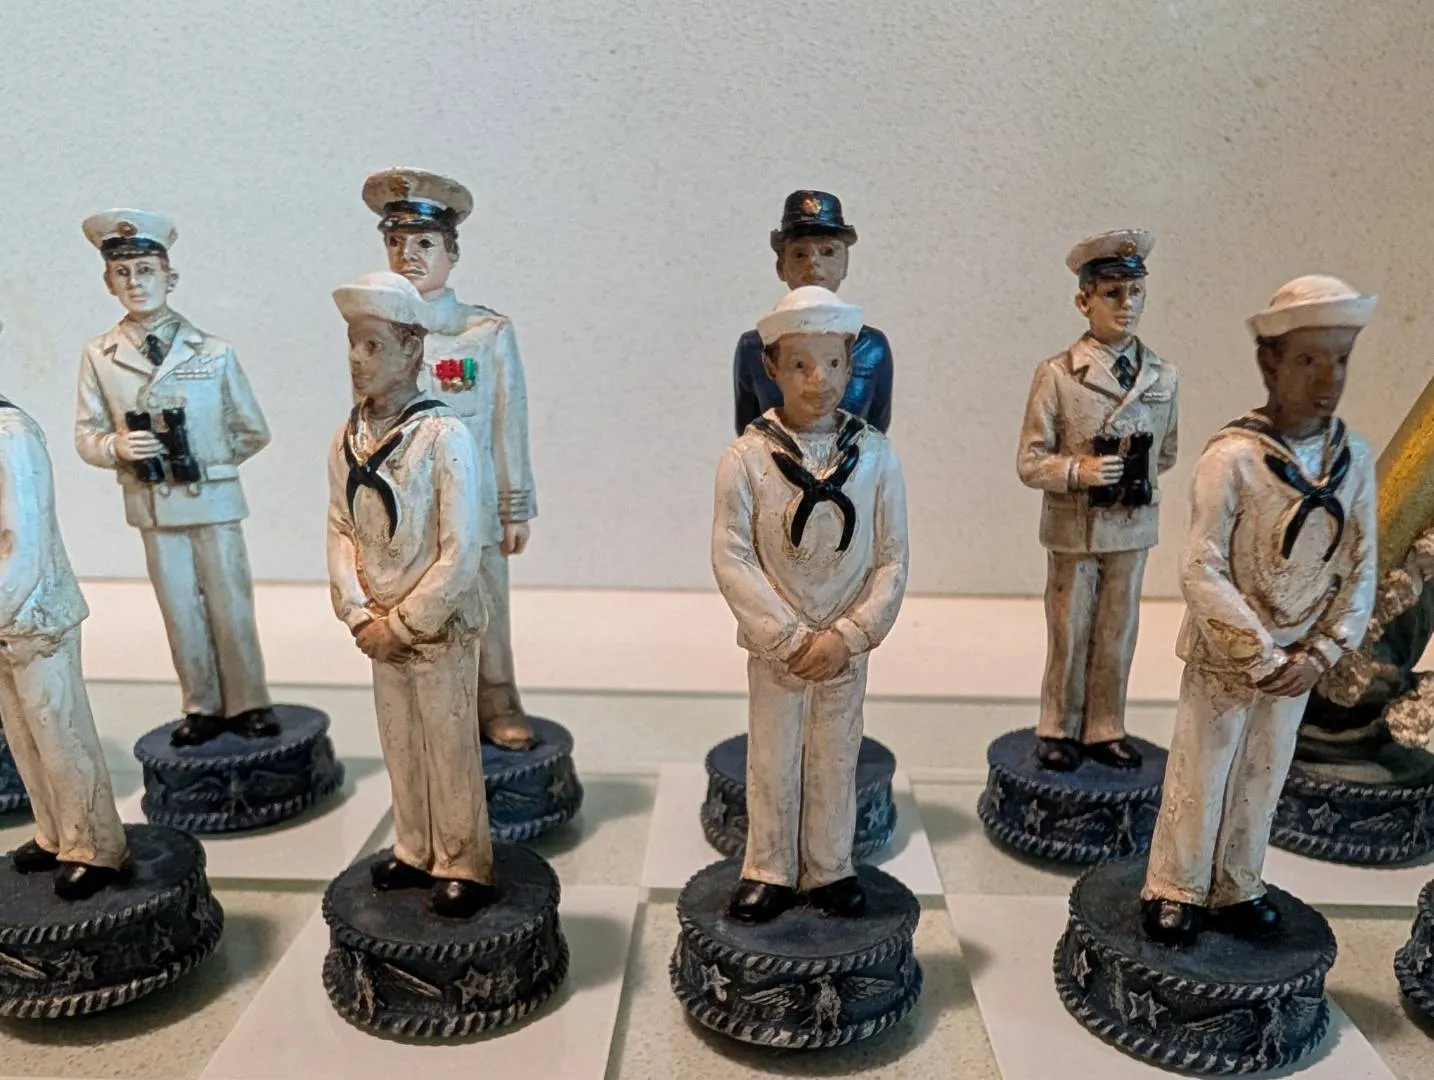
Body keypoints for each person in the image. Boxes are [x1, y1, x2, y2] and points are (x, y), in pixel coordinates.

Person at [1142, 275, 1378, 945]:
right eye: (1308, 360)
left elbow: (1362, 564)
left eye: (1340, 359)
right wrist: (1260, 653)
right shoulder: (1234, 459)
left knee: (1265, 772)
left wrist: (1322, 651)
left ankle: (1238, 882)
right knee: (1203, 765)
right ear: (1269, 363)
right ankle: (1177, 884)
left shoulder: (1354, 459)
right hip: (1231, 654)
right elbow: (1201, 567)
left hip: (1301, 654)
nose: (1327, 378)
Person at [713, 285, 908, 923]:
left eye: (831, 363)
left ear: (851, 367)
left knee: (836, 754)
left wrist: (850, 634)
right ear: (771, 367)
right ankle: (768, 866)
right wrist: (789, 636)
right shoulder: (746, 459)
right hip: (780, 649)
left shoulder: (875, 456)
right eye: (799, 364)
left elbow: (892, 558)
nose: (817, 380)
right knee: (773, 757)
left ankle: (829, 866)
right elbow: (733, 556)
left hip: (843, 647)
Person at [74, 209, 277, 747]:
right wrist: (118, 447)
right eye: (122, 273)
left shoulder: (214, 352)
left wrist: (206, 460)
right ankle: (202, 703)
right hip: (155, 505)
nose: (135, 283)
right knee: (180, 608)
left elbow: (252, 429)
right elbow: (86, 434)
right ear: (108, 282)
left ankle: (249, 700)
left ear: (170, 277)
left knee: (230, 604)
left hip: (212, 499)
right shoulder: (100, 355)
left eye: (146, 270)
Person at [327, 271, 495, 918]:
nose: (356, 359)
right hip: (378, 627)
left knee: (449, 746)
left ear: (412, 350)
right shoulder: (347, 439)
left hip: (436, 627)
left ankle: (462, 860)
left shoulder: (443, 436)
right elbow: (340, 528)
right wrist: (357, 611)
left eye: (373, 345)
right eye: (352, 343)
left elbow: (461, 549)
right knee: (399, 741)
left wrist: (404, 622)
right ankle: (415, 846)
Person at [362, 168, 537, 750]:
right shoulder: (375, 335)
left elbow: (508, 424)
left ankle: (498, 698)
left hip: (475, 504)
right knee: (418, 611)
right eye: (396, 242)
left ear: (451, 253)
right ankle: (439, 711)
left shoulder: (483, 332)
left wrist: (515, 507)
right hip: (408, 510)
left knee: (486, 603)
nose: (408, 255)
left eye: (424, 243)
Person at [1017, 230, 1179, 772]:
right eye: (1112, 293)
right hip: (1076, 527)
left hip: (1132, 524)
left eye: (1135, 292)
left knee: (1118, 629)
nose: (1126, 305)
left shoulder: (1163, 374)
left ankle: (1105, 725)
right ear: (1084, 300)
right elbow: (1030, 461)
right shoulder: (1058, 375)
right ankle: (1059, 725)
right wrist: (1078, 471)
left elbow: (1168, 451)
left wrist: (1134, 475)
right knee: (1070, 629)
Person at [0, 357, 128, 900]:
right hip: (6, 617)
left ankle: (95, 844)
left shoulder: (11, 435)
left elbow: (22, 542)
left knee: (59, 732)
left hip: (35, 612)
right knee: (22, 731)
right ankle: (53, 832)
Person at [732, 190, 893, 434]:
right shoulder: (754, 347)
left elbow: (877, 429)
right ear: (781, 266)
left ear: (845, 263)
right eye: (799, 254)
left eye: (828, 252)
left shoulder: (872, 348)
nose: (813, 263)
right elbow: (748, 430)